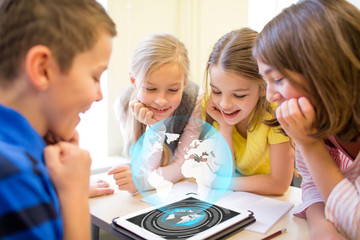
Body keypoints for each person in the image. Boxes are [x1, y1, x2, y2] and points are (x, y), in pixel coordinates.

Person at [0, 0, 116, 239]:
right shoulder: (14, 176)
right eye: (95, 77)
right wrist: (74, 193)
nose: (99, 95)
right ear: (42, 69)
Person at [253, 0, 360, 239]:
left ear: (325, 70)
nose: (270, 95)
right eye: (265, 81)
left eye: (278, 79)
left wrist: (309, 144)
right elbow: (312, 184)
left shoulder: (308, 132)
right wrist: (322, 226)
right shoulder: (313, 119)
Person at [203, 28, 294, 195]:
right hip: (238, 197)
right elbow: (224, 173)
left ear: (264, 87)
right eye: (216, 91)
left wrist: (223, 183)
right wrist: (225, 127)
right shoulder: (210, 107)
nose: (224, 104)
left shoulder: (276, 113)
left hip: (270, 200)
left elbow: (279, 184)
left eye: (239, 95)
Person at [109, 33, 202, 194]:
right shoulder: (123, 105)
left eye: (173, 90)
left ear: (184, 84)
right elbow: (143, 167)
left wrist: (143, 182)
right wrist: (155, 128)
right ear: (134, 81)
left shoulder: (196, 99)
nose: (161, 101)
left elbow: (181, 166)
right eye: (150, 89)